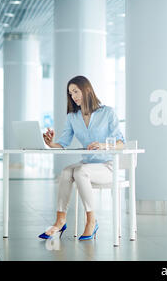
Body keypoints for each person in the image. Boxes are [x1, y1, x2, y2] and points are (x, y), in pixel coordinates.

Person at [38, 75, 125, 241]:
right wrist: (51, 143)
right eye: (70, 93)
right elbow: (63, 142)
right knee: (65, 172)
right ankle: (60, 221)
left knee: (80, 172)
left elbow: (121, 142)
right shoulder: (73, 117)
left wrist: (103, 145)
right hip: (87, 164)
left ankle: (92, 220)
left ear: (86, 89)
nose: (73, 96)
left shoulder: (107, 112)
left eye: (76, 91)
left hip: (107, 166)